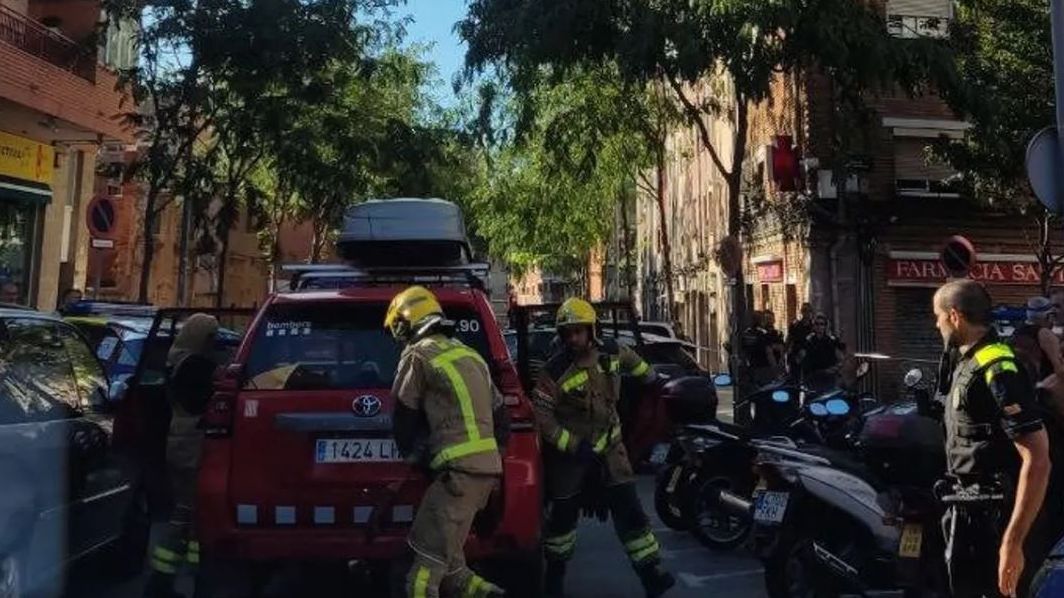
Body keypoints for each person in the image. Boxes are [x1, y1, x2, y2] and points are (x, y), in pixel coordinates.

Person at [533, 297, 674, 598]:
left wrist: (659, 386)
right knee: (562, 524)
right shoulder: (554, 371)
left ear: (591, 330)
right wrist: (573, 446)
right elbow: (542, 418)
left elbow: (645, 374)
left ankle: (652, 575)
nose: (573, 338)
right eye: (567, 333)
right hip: (571, 458)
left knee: (632, 516)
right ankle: (554, 581)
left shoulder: (613, 353)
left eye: (578, 331)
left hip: (611, 451)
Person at [932, 279, 1051, 598]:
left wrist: (1012, 544)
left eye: (939, 316)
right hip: (969, 514)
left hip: (996, 522)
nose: (936, 324)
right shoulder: (965, 361)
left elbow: (1037, 459)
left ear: (955, 316)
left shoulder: (998, 368)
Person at [387, 285, 507, 598]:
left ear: (409, 322)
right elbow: (501, 417)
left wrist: (412, 456)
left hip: (455, 476)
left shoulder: (417, 355)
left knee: (424, 568)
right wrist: (493, 461)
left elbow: (403, 412)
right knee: (450, 561)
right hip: (483, 474)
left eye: (399, 328)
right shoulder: (473, 356)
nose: (399, 337)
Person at [144, 314, 221, 598]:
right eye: (211, 336)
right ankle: (167, 581)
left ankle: (178, 578)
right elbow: (209, 394)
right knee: (190, 514)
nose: (215, 342)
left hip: (179, 439)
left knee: (186, 514)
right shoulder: (195, 365)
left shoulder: (175, 358)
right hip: (192, 442)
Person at [1009, 297, 1064, 386]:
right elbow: (1060, 369)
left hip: (1022, 387)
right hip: (1043, 389)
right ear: (1047, 316)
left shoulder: (1017, 332)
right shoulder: (1045, 333)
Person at [798, 314, 846, 391]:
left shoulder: (831, 341)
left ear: (825, 326)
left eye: (822, 324)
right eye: (816, 324)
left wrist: (834, 369)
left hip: (828, 378)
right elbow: (800, 358)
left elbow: (841, 358)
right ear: (813, 326)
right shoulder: (808, 341)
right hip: (812, 378)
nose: (819, 326)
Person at [786, 303, 815, 376]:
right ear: (801, 312)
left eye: (809, 311)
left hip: (809, 358)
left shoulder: (814, 327)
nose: (807, 313)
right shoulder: (795, 326)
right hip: (796, 357)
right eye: (804, 310)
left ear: (811, 312)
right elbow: (789, 341)